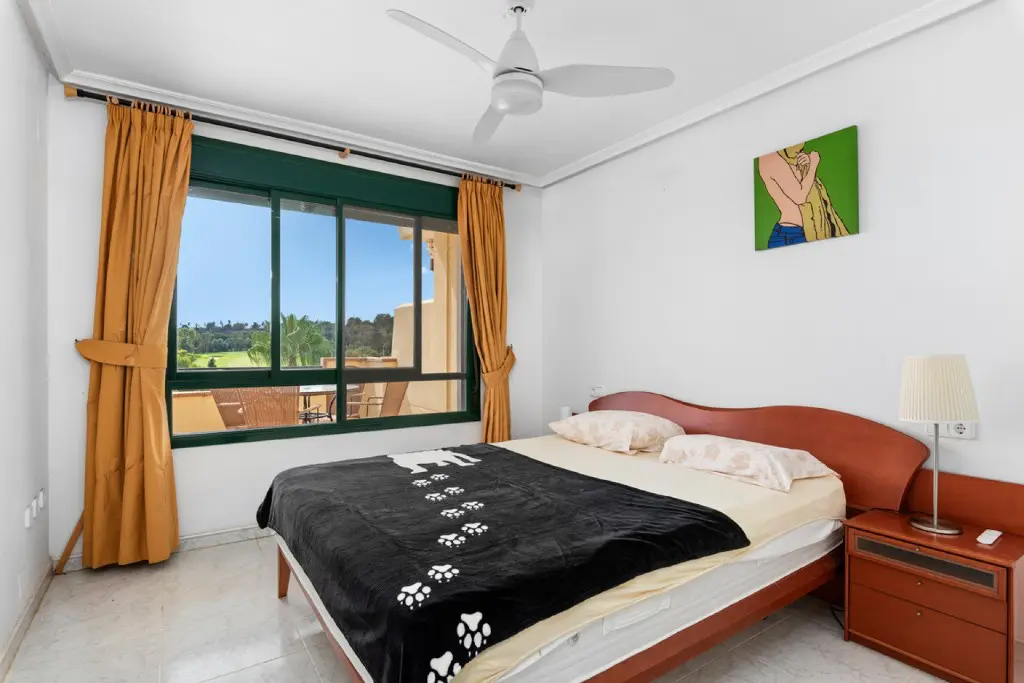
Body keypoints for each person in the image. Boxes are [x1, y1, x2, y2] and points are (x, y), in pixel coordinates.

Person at [758, 143, 849, 249]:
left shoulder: (786, 159)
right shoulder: (772, 160)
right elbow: (799, 196)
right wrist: (813, 165)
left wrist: (805, 164)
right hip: (791, 235)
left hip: (799, 232)